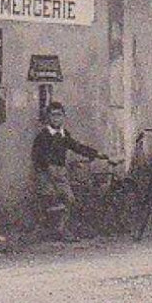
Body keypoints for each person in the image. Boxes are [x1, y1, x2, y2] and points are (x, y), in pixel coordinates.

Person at [31, 101, 105, 241]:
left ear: (64, 117)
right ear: (48, 117)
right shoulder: (43, 136)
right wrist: (47, 170)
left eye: (59, 115)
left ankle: (62, 230)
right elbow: (37, 157)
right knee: (52, 201)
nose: (56, 119)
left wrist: (97, 154)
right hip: (46, 174)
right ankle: (53, 232)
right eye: (53, 115)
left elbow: (77, 147)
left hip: (60, 173)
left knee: (69, 200)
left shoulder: (64, 135)